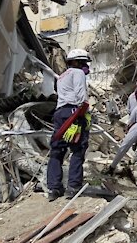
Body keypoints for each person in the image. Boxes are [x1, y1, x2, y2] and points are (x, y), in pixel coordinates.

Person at [47, 49, 92, 201]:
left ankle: (54, 188)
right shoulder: (77, 73)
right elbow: (81, 96)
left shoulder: (61, 77)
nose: (86, 66)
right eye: (84, 62)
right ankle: (73, 186)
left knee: (57, 150)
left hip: (60, 113)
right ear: (77, 61)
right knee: (78, 149)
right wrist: (81, 116)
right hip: (74, 112)